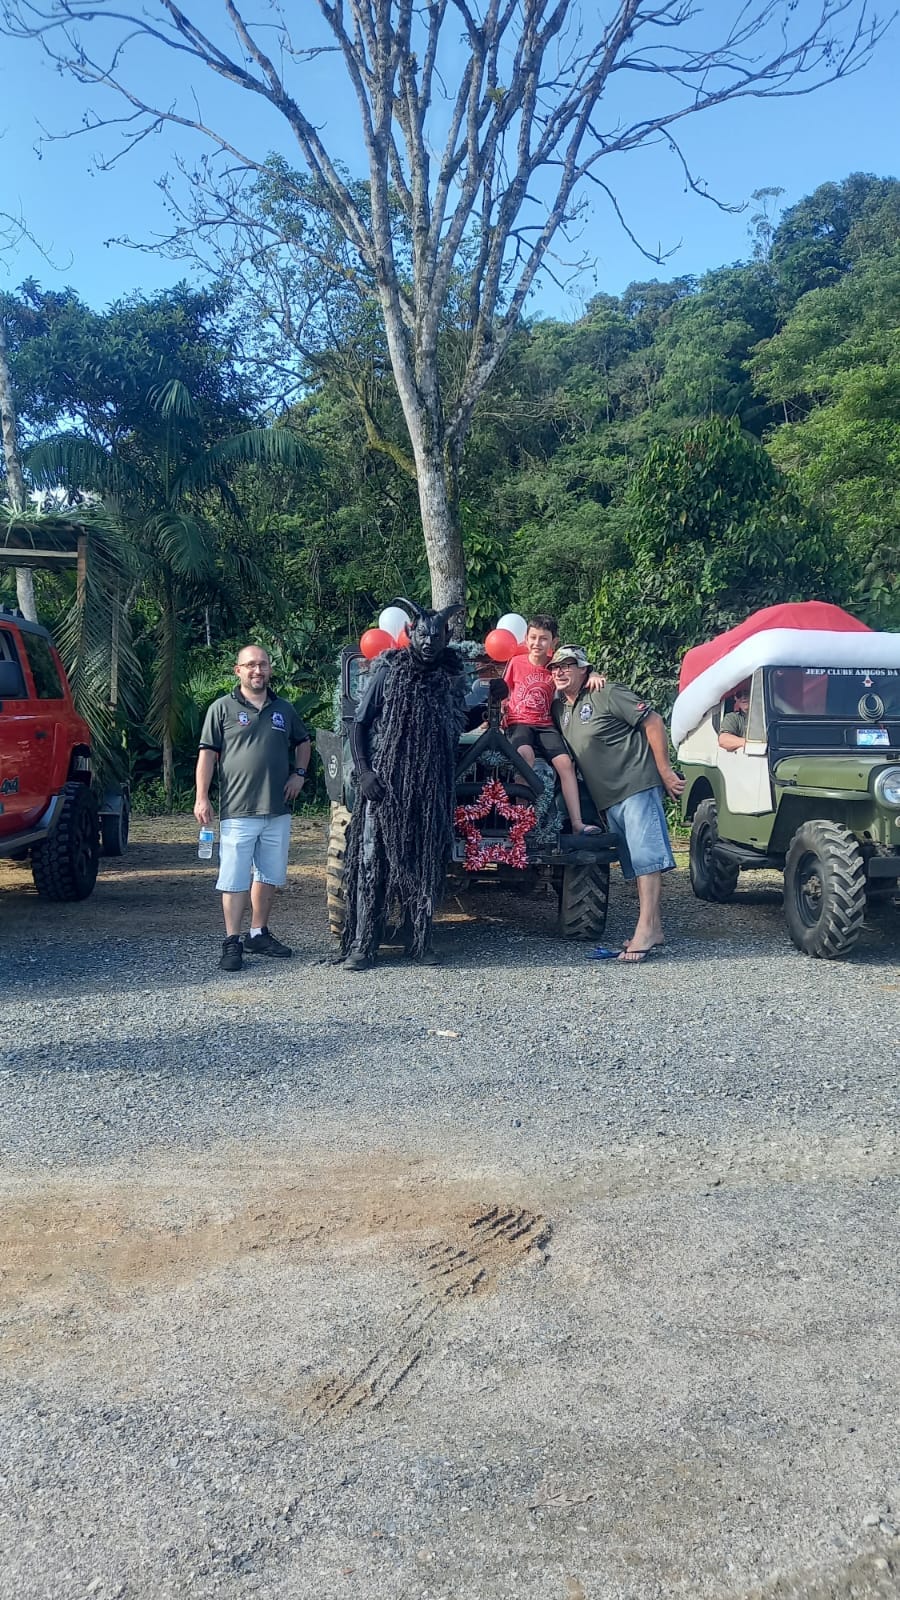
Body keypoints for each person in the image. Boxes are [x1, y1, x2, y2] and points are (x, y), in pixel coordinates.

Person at [341, 599, 467, 971]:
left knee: (424, 862)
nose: (429, 641)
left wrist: (493, 703)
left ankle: (420, 941)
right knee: (371, 863)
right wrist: (365, 772)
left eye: (437, 635)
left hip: (429, 789)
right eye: (423, 633)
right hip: (386, 786)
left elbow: (460, 721)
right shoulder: (389, 673)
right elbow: (358, 723)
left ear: (446, 638)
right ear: (411, 634)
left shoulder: (449, 679)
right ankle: (364, 945)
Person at [550, 646, 685, 963]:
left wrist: (665, 771)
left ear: (585, 670)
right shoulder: (561, 709)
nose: (559, 671)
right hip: (609, 799)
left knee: (647, 860)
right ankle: (656, 926)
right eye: (555, 666)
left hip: (635, 784)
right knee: (635, 864)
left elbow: (652, 721)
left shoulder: (607, 692)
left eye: (569, 665)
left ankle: (646, 931)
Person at [194, 644, 311, 971]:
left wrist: (299, 774)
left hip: (277, 810)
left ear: (269, 670)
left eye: (262, 665)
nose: (256, 670)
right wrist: (202, 796)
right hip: (238, 809)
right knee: (233, 877)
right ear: (238, 670)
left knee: (269, 874)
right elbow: (207, 754)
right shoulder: (221, 709)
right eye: (250, 665)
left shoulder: (284, 709)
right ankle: (233, 941)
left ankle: (258, 932)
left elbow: (304, 743)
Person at [503, 614, 598, 835]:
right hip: (519, 722)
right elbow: (503, 693)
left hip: (545, 723)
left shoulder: (555, 665)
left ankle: (576, 822)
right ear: (526, 638)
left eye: (543, 639)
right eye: (533, 638)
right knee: (524, 754)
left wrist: (594, 674)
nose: (537, 644)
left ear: (553, 642)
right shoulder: (516, 663)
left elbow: (579, 670)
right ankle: (522, 819)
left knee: (566, 763)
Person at [718, 681, 751, 751]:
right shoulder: (732, 718)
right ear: (735, 699)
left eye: (746, 693)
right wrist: (750, 743)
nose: (743, 697)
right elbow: (723, 740)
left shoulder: (766, 718)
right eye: (739, 694)